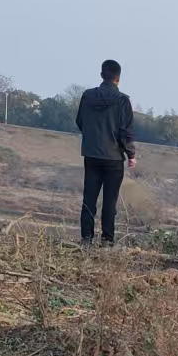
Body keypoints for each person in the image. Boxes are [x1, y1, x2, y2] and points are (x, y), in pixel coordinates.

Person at [76, 59, 136, 246]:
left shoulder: (87, 96)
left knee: (89, 199)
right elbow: (125, 131)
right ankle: (107, 240)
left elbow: (80, 121)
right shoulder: (122, 100)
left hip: (91, 155)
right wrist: (131, 154)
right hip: (113, 158)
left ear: (102, 75)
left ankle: (86, 239)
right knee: (110, 201)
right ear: (118, 78)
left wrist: (92, 138)